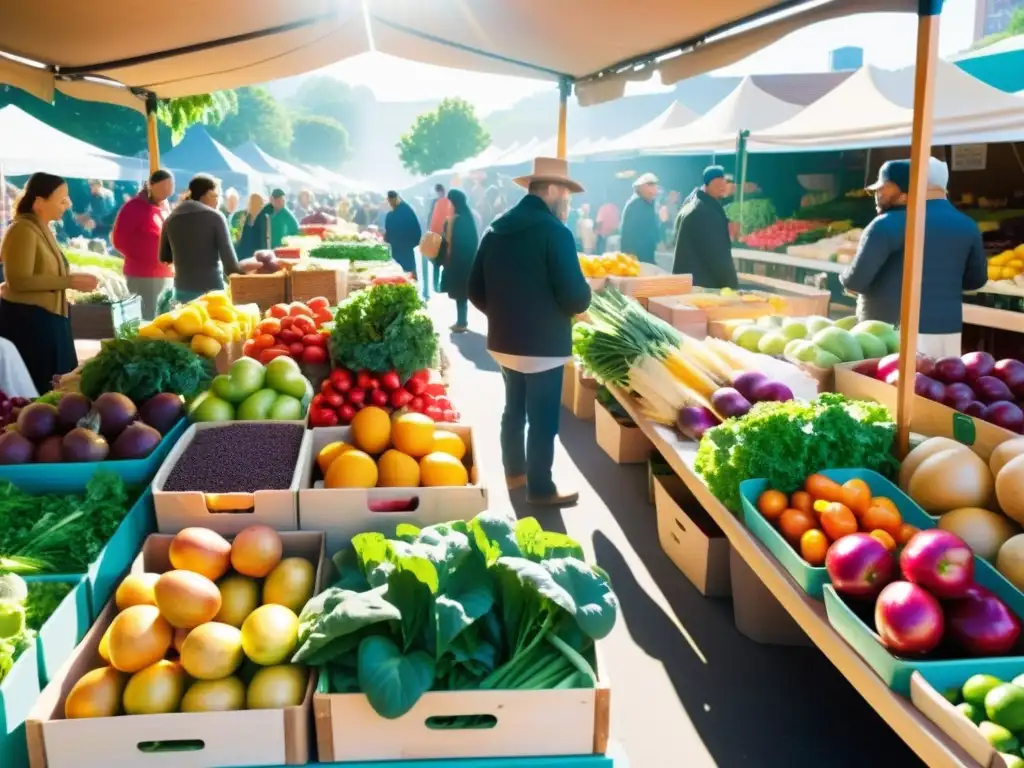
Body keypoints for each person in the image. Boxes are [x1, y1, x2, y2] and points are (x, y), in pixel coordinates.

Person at [468, 157, 591, 507]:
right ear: (552, 190)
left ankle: (514, 471)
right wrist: (588, 292)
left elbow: (475, 288)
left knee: (514, 408)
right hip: (544, 346)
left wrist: (506, 316)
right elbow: (574, 297)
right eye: (566, 194)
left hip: (504, 342)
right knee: (543, 417)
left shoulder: (496, 227)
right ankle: (540, 487)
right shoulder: (556, 231)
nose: (568, 201)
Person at [840, 159, 987, 358]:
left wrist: (845, 276)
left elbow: (855, 283)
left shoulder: (886, 224)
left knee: (888, 388)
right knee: (937, 386)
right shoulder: (968, 225)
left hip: (889, 332)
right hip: (946, 330)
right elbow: (975, 281)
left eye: (884, 187)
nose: (877, 194)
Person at [0, 173, 99, 392]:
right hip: (30, 323)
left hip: (49, 320)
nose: (68, 204)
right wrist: (69, 281)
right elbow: (17, 280)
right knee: (43, 389)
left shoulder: (41, 227)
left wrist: (69, 281)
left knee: (61, 386)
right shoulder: (22, 230)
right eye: (62, 199)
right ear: (39, 202)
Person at [159, 174, 241, 304]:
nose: (218, 201)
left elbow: (164, 257)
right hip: (212, 294)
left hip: (181, 292)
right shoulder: (215, 217)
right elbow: (230, 266)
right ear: (207, 194)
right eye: (217, 196)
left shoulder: (171, 219)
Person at [110, 169, 175, 320]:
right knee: (146, 321)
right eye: (164, 186)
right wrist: (147, 257)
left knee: (162, 320)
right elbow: (119, 240)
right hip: (143, 275)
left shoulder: (164, 208)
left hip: (165, 274)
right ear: (151, 185)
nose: (168, 191)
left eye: (171, 186)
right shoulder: (133, 207)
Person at [672, 165, 738, 289]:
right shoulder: (704, 212)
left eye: (724, 183)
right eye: (719, 183)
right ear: (709, 184)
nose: (723, 187)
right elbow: (716, 255)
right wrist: (730, 285)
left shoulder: (692, 205)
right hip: (703, 285)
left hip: (689, 283)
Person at [438, 189, 478, 333]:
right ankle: (461, 321)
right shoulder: (468, 218)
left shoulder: (457, 220)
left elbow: (450, 242)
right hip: (467, 261)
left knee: (461, 293)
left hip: (458, 262)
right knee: (463, 293)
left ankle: (462, 322)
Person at [619, 173, 661, 264]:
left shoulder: (648, 203)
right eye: (653, 186)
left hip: (646, 252)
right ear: (644, 187)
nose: (655, 190)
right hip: (637, 254)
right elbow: (630, 231)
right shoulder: (636, 204)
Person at [383, 191, 422, 276]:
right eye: (390, 202)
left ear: (396, 199)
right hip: (401, 248)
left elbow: (414, 229)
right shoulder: (405, 210)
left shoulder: (401, 212)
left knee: (406, 272)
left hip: (405, 248)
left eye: (392, 201)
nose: (391, 204)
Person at [236, 193, 271, 262]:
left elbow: (265, 240)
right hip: (244, 256)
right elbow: (242, 239)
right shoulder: (246, 217)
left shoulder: (264, 218)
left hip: (258, 256)